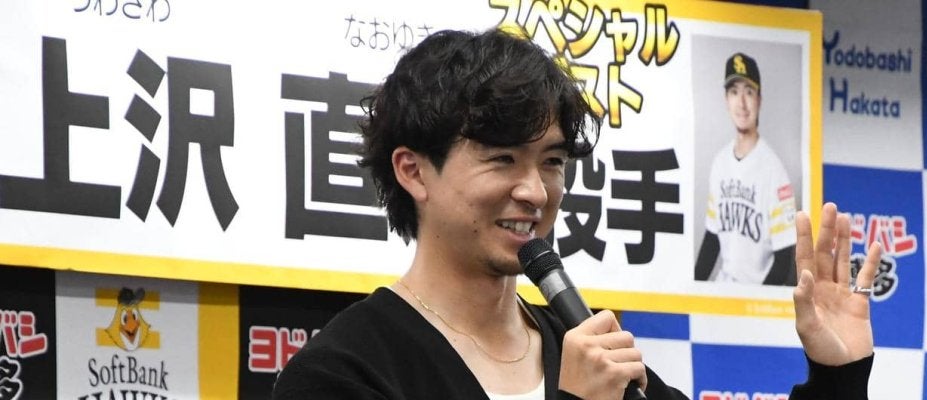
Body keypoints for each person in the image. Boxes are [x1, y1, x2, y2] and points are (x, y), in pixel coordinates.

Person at [272, 29, 881, 400]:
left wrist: (837, 375)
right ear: (413, 171)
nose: (535, 191)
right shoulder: (344, 371)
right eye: (502, 158)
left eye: (553, 162)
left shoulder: (586, 350)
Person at [695, 52, 798, 286]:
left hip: (757, 294)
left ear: (759, 99)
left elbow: (783, 261)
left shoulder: (775, 172)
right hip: (724, 289)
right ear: (726, 99)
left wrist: (756, 304)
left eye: (749, 92)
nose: (741, 103)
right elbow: (712, 239)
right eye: (734, 92)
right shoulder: (720, 163)